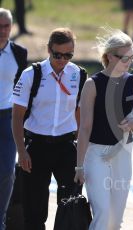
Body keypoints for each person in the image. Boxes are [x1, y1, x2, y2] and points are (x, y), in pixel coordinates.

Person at [11, 27, 86, 230]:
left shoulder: (79, 75)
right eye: (57, 54)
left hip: (67, 148)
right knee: (34, 212)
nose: (62, 60)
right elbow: (16, 117)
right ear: (48, 49)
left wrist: (81, 152)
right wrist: (21, 151)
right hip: (36, 148)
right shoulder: (30, 74)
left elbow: (80, 114)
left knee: (71, 207)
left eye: (68, 55)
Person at [74, 29, 133, 230]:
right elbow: (85, 128)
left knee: (115, 220)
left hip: (123, 152)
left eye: (131, 57)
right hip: (96, 153)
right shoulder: (92, 84)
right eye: (123, 57)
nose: (128, 61)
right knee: (103, 214)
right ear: (108, 56)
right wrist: (79, 166)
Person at [0, 7, 27, 230]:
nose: (2, 30)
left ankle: (1, 219)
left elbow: (22, 89)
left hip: (8, 117)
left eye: (6, 26)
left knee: (8, 170)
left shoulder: (19, 52)